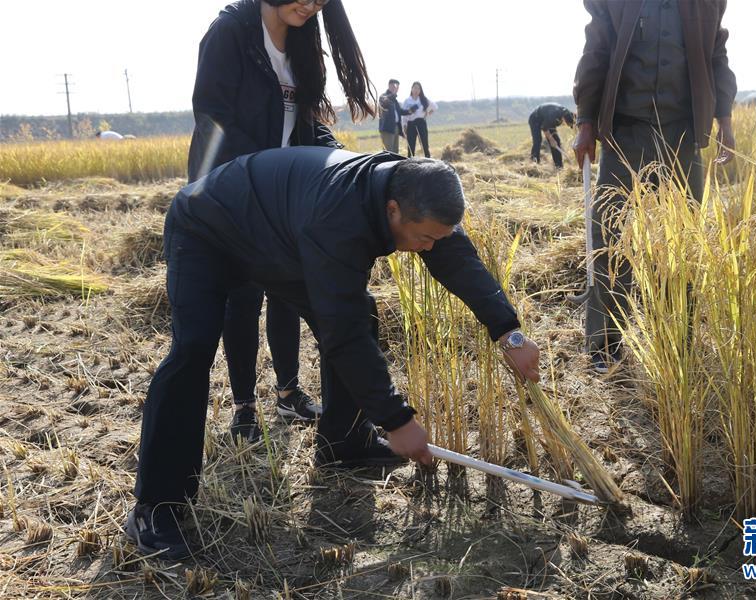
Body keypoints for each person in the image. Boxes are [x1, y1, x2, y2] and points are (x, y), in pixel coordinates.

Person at [125, 147, 541, 560]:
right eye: (426, 238)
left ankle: (344, 442)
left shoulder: (419, 189)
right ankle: (155, 507)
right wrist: (396, 419)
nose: (431, 248)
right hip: (208, 228)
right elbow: (343, 331)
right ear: (393, 211)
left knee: (362, 311)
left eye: (439, 236)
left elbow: (456, 257)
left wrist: (509, 332)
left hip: (279, 235)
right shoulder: (339, 218)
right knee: (193, 348)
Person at [186, 0, 377, 442]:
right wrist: (267, 171)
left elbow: (307, 120)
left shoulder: (303, 38)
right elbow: (214, 118)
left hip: (284, 196)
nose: (312, 5)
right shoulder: (230, 33)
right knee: (243, 298)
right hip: (234, 192)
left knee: (288, 294)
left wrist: (344, 162)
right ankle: (244, 407)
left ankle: (289, 394)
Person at [572, 0, 737, 372]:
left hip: (682, 134)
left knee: (681, 240)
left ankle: (677, 341)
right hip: (624, 133)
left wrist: (724, 118)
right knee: (610, 236)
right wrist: (585, 121)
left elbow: (717, 52)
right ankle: (604, 345)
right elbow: (595, 49)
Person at [528, 103, 575, 168]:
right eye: (566, 123)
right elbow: (544, 128)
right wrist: (551, 139)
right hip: (535, 119)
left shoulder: (568, 113)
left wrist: (554, 140)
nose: (565, 125)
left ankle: (558, 166)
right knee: (538, 140)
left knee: (557, 141)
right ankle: (534, 162)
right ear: (563, 119)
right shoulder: (553, 114)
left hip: (547, 121)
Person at [401, 82, 437, 158]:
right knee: (411, 145)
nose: (416, 90)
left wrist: (428, 114)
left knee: (424, 143)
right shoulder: (407, 101)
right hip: (410, 124)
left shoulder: (423, 100)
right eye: (414, 88)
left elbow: (434, 107)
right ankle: (410, 161)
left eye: (418, 88)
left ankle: (428, 160)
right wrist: (404, 126)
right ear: (411, 89)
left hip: (421, 123)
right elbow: (403, 115)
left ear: (420, 90)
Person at [378, 79, 413, 153]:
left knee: (395, 151)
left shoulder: (395, 100)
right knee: (388, 151)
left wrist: (409, 111)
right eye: (395, 86)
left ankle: (394, 164)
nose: (396, 88)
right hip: (387, 128)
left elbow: (399, 112)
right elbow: (384, 103)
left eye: (397, 87)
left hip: (396, 127)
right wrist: (393, 94)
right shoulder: (383, 96)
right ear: (390, 85)